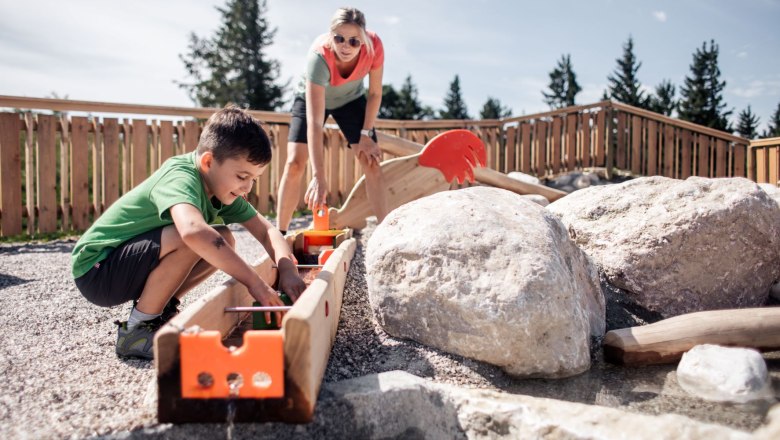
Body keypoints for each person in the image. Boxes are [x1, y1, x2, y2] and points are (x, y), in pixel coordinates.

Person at [72, 106, 306, 360]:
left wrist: (287, 269)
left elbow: (267, 230)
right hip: (97, 270)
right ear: (208, 162)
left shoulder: (220, 187)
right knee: (194, 237)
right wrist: (255, 283)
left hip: (122, 268)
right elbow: (192, 232)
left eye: (254, 179)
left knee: (224, 238)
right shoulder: (181, 177)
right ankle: (137, 331)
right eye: (242, 176)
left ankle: (159, 312)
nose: (247, 187)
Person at [276, 6, 388, 234]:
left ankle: (385, 231)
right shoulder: (318, 58)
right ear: (331, 36)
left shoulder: (374, 47)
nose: (346, 47)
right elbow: (316, 124)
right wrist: (318, 176)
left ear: (364, 39)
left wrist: (366, 134)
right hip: (312, 97)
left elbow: (375, 94)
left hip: (350, 99)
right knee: (295, 162)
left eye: (354, 41)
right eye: (340, 39)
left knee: (371, 160)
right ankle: (279, 234)